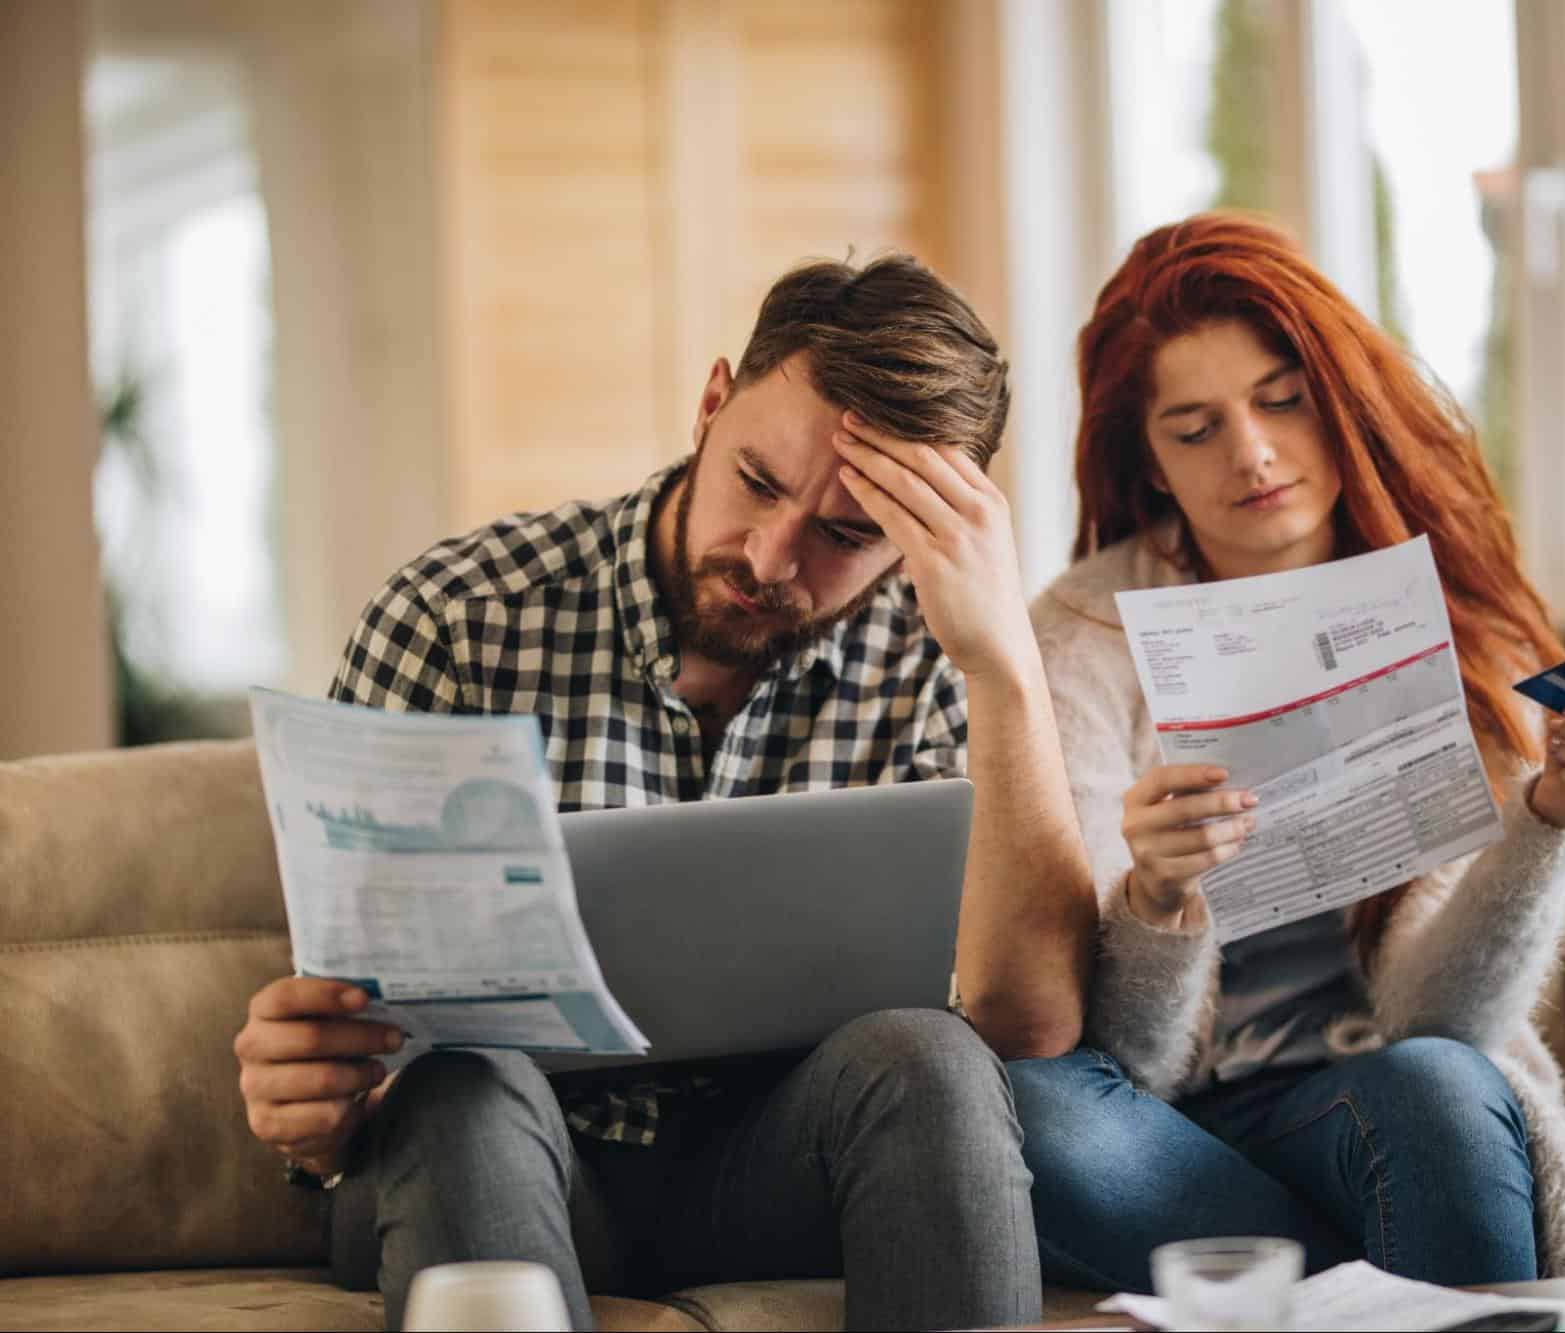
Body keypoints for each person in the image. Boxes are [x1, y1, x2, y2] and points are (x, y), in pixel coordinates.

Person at [231, 254, 1096, 1331]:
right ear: (709, 404)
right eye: (758, 482)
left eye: (846, 534)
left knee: (930, 1057)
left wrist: (1004, 666)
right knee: (464, 1087)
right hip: (496, 1150)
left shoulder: (935, 649)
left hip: (774, 1167)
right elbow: (348, 1047)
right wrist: (313, 1106)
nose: (772, 557)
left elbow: (1030, 1021)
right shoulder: (458, 619)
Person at [1009, 213, 1565, 1292]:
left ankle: (1294, 1274)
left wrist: (1546, 825)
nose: (1251, 452)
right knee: (1031, 1112)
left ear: (1334, 399)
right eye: (1194, 426)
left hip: (1384, 1095)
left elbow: (1438, 1025)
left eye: (1279, 399)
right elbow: (1114, 1059)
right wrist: (1158, 897)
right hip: (1174, 1122)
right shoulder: (1080, 635)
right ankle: (1370, 1271)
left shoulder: (1446, 615)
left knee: (1437, 1089)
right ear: (1152, 464)